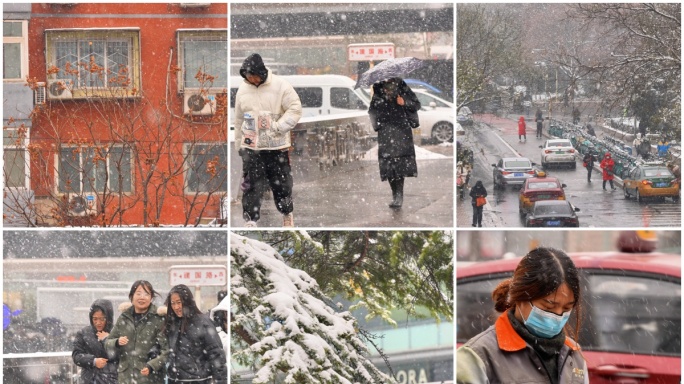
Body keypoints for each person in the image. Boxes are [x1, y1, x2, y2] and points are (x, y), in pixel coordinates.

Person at [457, 247, 588, 384]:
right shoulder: (478, 357)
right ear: (521, 297)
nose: (558, 316)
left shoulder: (574, 354)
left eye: (567, 308)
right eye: (548, 307)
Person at [234, 53, 303, 228]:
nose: (252, 80)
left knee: (281, 184)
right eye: (248, 77)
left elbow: (295, 109)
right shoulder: (243, 89)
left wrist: (278, 127)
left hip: (276, 147)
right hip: (251, 147)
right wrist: (239, 144)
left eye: (254, 76)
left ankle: (287, 214)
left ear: (262, 73)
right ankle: (250, 219)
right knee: (251, 186)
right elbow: (239, 119)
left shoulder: (281, 86)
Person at [368, 77, 421, 208]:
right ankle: (395, 194)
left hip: (401, 131)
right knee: (388, 165)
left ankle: (399, 196)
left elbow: (416, 104)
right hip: (386, 132)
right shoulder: (378, 89)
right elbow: (372, 111)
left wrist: (404, 102)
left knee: (399, 164)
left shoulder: (402, 86)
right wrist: (378, 125)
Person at [105, 280, 168, 384]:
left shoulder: (158, 318)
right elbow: (107, 343)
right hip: (125, 378)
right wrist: (116, 342)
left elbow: (166, 351)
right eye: (138, 293)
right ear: (131, 296)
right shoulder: (124, 317)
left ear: (151, 297)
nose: (142, 297)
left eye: (146, 294)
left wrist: (152, 365)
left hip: (150, 378)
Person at [163, 285, 227, 384]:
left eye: (179, 302)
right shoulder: (171, 324)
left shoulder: (203, 322)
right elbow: (164, 349)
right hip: (174, 380)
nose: (176, 307)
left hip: (199, 381)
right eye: (173, 303)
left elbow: (216, 355)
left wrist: (221, 381)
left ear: (187, 301)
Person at [72, 299, 118, 384]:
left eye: (102, 319)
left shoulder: (117, 332)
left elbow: (123, 355)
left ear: (108, 318)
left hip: (111, 380)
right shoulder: (83, 333)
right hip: (89, 380)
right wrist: (93, 361)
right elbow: (76, 355)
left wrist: (106, 340)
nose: (98, 322)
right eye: (95, 319)